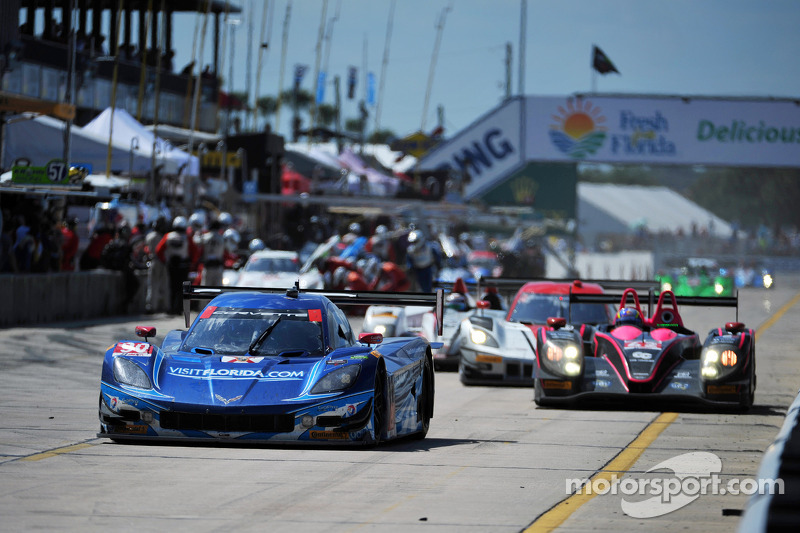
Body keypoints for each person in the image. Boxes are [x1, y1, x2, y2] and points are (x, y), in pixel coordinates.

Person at [156, 216, 198, 315]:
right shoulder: (187, 238)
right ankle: (178, 309)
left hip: (172, 266)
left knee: (172, 287)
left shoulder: (168, 236)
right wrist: (192, 263)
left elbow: (158, 250)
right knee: (181, 289)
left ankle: (171, 308)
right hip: (183, 266)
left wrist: (164, 260)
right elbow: (195, 252)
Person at [145, 217, 170, 313]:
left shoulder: (149, 236)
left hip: (153, 261)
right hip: (161, 261)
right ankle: (166, 306)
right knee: (164, 285)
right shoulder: (161, 237)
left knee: (152, 285)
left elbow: (146, 249)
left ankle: (151, 307)